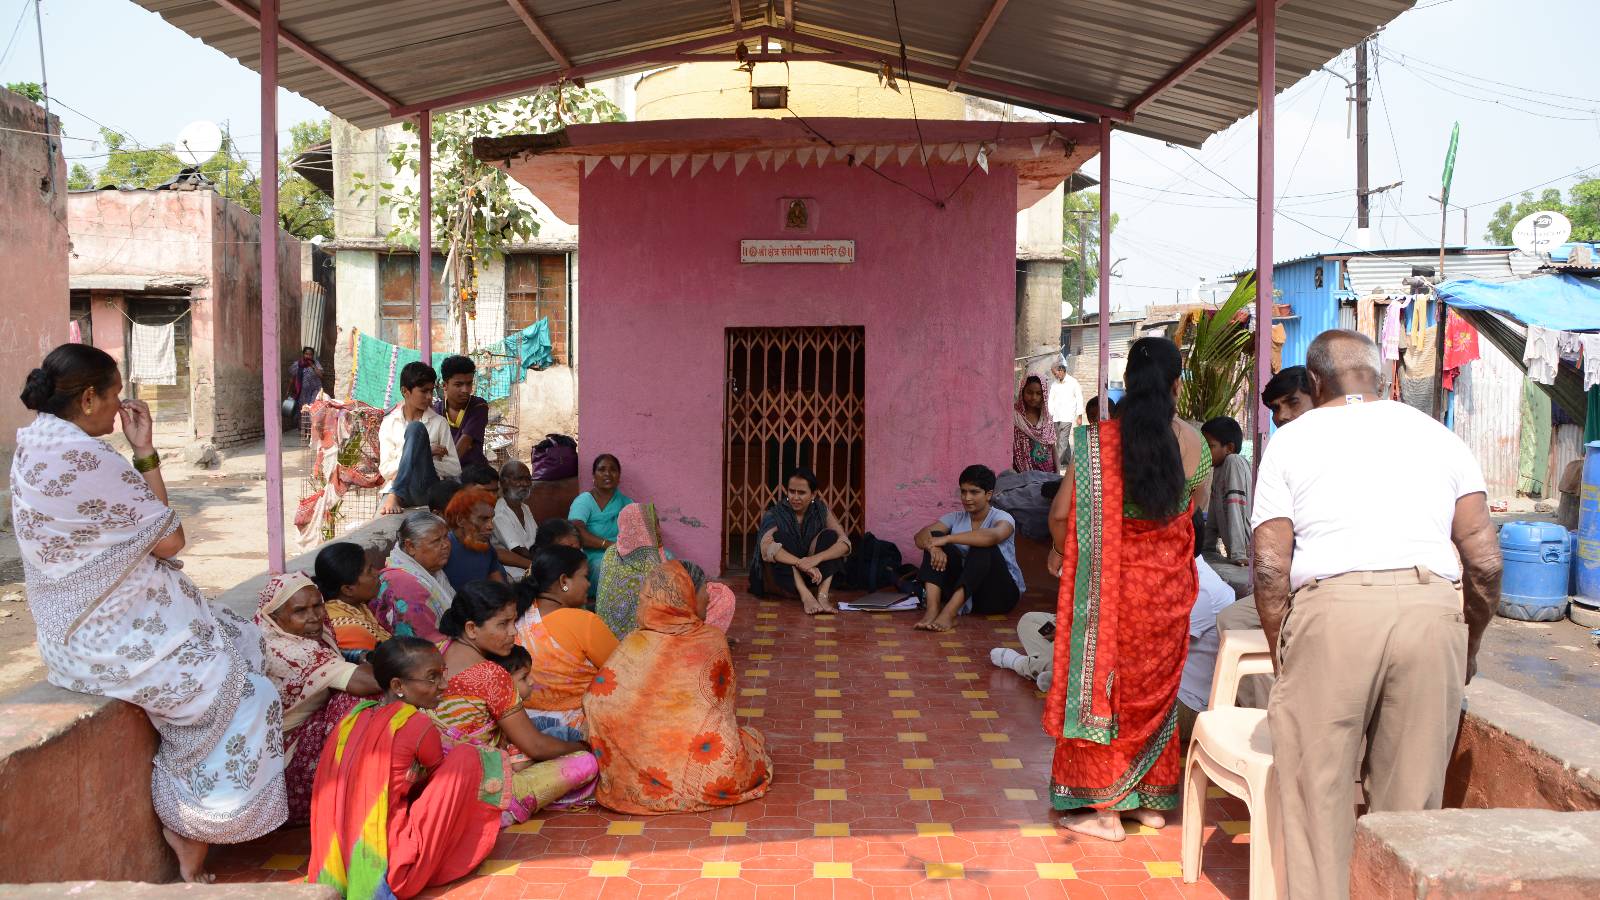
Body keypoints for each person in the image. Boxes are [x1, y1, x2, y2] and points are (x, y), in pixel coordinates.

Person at [12, 344, 285, 882]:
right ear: (88, 398)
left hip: (74, 634)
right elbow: (170, 539)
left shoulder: (37, 443)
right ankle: (190, 818)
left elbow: (151, 532)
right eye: (113, 396)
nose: (120, 408)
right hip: (102, 638)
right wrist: (143, 456)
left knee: (239, 643)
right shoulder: (85, 458)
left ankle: (196, 811)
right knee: (250, 692)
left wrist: (143, 452)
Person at [1250, 330, 1500, 899]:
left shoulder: (1291, 441)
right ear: (1384, 378)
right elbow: (1484, 563)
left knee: (1318, 796)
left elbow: (1269, 566)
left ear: (1313, 384)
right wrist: (1470, 644)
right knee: (1411, 813)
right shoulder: (1441, 437)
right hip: (1431, 610)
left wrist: (1282, 653)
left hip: (1332, 613)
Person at [1042, 336, 1212, 842]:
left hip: (1111, 595)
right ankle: (1151, 805)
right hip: (1167, 595)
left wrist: (1061, 551)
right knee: (1153, 694)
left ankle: (1107, 811)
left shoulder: (1096, 443)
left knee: (1106, 695)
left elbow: (1059, 515)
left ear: (1128, 387)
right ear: (1176, 385)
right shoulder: (1197, 444)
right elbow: (1195, 509)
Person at [309, 637, 503, 899]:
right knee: (468, 758)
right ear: (397, 685)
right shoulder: (415, 724)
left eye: (443, 673)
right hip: (393, 869)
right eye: (432, 677)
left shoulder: (353, 716)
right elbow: (436, 778)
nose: (444, 685)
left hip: (335, 866)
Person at [583, 562, 773, 814]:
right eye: (704, 592)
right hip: (708, 776)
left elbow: (596, 701)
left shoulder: (635, 642)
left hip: (636, 778)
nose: (708, 599)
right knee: (753, 741)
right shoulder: (712, 640)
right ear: (687, 597)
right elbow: (721, 714)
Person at [429, 580, 598, 823]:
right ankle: (505, 810)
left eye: (513, 621)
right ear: (471, 629)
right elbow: (536, 746)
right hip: (485, 787)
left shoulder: (437, 652)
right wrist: (583, 748)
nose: (513, 632)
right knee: (585, 763)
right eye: (503, 624)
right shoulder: (490, 674)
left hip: (439, 781)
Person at [255, 572, 383, 825]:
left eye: (317, 605)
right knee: (360, 703)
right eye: (300, 611)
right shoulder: (289, 651)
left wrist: (359, 658)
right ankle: (346, 793)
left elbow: (339, 660)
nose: (314, 617)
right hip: (284, 768)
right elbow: (367, 682)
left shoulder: (305, 634)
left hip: (300, 736)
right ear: (275, 617)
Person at [515, 545, 618, 740]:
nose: (588, 584)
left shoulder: (516, 617)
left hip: (525, 727)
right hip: (581, 729)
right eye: (585, 576)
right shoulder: (584, 622)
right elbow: (623, 674)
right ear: (564, 581)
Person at [913, 464, 1025, 631]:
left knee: (982, 545)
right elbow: (920, 536)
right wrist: (933, 548)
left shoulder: (1002, 517)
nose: (967, 498)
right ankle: (932, 610)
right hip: (968, 595)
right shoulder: (955, 518)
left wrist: (948, 538)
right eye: (963, 491)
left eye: (974, 492)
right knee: (934, 538)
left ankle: (949, 614)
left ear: (988, 494)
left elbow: (992, 537)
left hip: (998, 595)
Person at [752, 466, 851, 614]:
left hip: (815, 576)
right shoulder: (775, 513)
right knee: (780, 538)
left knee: (830, 536)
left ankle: (822, 595)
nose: (795, 497)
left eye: (802, 492)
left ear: (813, 494)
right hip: (787, 577)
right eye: (792, 491)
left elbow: (845, 544)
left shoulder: (821, 511)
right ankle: (806, 596)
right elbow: (766, 547)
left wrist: (816, 559)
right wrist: (800, 563)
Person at [1175, 539, 1237, 748]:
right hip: (1186, 695)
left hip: (1189, 704)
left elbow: (1153, 641)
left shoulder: (1201, 590)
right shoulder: (1195, 576)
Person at [379, 362, 460, 514]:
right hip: (406, 494)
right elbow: (385, 470)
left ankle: (395, 492)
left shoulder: (439, 423)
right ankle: (397, 491)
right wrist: (427, 451)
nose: (430, 397)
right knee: (415, 429)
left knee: (415, 428)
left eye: (431, 391)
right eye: (424, 391)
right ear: (405, 391)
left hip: (428, 490)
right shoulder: (389, 423)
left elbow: (455, 468)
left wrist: (424, 457)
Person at [372, 511, 456, 641]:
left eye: (446, 537)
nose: (446, 545)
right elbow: (427, 643)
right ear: (410, 546)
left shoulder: (433, 571)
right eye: (436, 541)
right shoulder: (403, 584)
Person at [1199, 415, 1252, 598]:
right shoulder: (1219, 468)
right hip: (1235, 554)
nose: (1205, 452)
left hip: (1245, 551)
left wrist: (1238, 553)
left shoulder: (1234, 462)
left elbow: (1236, 507)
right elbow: (1213, 515)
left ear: (1229, 448)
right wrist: (1205, 549)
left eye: (1210, 446)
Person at [569, 454, 632, 599]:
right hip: (594, 555)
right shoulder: (584, 501)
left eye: (613, 470)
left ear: (619, 476)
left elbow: (638, 529)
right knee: (605, 567)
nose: (607, 474)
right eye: (601, 469)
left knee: (663, 556)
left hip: (624, 551)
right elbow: (575, 531)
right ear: (593, 475)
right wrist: (609, 545)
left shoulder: (626, 502)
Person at [314, 542, 390, 658]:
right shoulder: (350, 628)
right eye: (369, 571)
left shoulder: (354, 606)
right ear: (348, 589)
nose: (377, 573)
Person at [439, 486, 507, 592]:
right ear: (460, 520)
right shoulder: (442, 550)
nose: (491, 526)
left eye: (491, 519)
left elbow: (501, 590)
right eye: (483, 519)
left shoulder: (485, 548)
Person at [434, 355, 491, 469]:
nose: (465, 390)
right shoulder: (436, 411)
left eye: (469, 383)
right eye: (458, 385)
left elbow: (462, 447)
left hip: (474, 474)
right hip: (444, 472)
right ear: (444, 385)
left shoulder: (479, 406)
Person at [494, 460, 539, 578]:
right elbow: (517, 549)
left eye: (528, 479)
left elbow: (537, 539)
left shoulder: (525, 508)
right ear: (503, 482)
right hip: (515, 572)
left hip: (533, 564)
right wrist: (543, 562)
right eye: (518, 479)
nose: (524, 484)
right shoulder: (499, 512)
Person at [1012, 375, 1057, 473]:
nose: (1034, 397)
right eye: (1029, 392)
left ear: (1043, 395)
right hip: (1024, 475)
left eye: (1038, 393)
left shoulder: (1046, 418)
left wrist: (1057, 472)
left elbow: (1052, 445)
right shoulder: (1015, 417)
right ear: (1022, 392)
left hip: (1048, 473)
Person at [1048, 361, 1086, 467]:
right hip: (1056, 416)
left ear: (1061, 370)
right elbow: (1051, 400)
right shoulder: (1054, 384)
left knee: (1063, 441)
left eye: (1055, 373)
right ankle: (1068, 461)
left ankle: (1056, 464)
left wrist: (1079, 415)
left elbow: (1079, 398)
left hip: (1067, 416)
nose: (1054, 375)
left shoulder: (1073, 382)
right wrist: (1050, 414)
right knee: (1060, 440)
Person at [287, 345, 324, 427]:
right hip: (302, 392)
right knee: (303, 410)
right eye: (306, 354)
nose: (308, 356)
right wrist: (288, 390)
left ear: (312, 355)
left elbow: (321, 375)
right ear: (303, 354)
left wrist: (313, 366)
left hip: (315, 390)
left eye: (310, 354)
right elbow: (292, 378)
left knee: (313, 408)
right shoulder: (297, 364)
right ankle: (303, 429)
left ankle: (311, 429)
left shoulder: (316, 364)